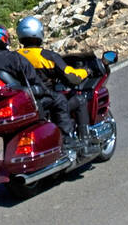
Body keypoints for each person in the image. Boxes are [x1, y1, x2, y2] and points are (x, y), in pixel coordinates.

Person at [15, 16, 89, 146]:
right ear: (39, 32)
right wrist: (86, 71)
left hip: (25, 103)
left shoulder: (14, 57)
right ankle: (83, 141)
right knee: (79, 100)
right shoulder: (47, 56)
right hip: (46, 100)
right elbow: (72, 78)